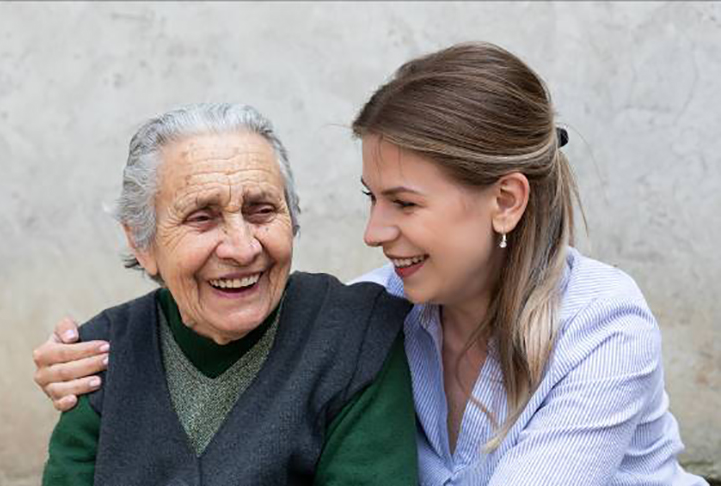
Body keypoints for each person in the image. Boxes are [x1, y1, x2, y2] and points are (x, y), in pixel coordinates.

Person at [34, 43, 707, 485]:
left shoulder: (603, 331)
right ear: (141, 242)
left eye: (404, 203)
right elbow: (278, 322)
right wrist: (82, 362)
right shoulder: (379, 314)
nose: (373, 231)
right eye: (371, 198)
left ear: (505, 200)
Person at [38, 103, 418, 485]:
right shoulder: (99, 356)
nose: (242, 248)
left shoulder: (354, 337)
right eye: (202, 217)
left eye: (261, 210)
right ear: (142, 242)